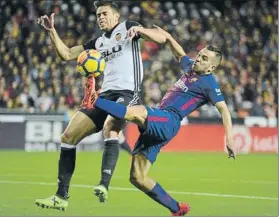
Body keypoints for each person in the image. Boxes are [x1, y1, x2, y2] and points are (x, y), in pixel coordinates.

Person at [86, 25, 236, 216]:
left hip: (169, 120)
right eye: (200, 54)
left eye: (204, 58)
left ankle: (95, 100)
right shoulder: (190, 66)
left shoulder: (209, 84)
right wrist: (166, 35)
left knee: (139, 112)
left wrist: (229, 139)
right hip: (161, 121)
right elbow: (177, 50)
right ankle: (177, 209)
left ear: (212, 67)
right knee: (137, 177)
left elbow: (224, 110)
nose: (199, 58)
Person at [35, 1, 166, 210]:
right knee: (67, 137)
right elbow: (67, 54)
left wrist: (140, 29)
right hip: (104, 95)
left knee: (111, 127)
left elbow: (161, 38)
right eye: (98, 15)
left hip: (128, 93)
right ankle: (61, 196)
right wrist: (52, 31)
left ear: (116, 16)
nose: (101, 18)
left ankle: (104, 184)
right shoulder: (97, 43)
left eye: (104, 13)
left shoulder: (128, 27)